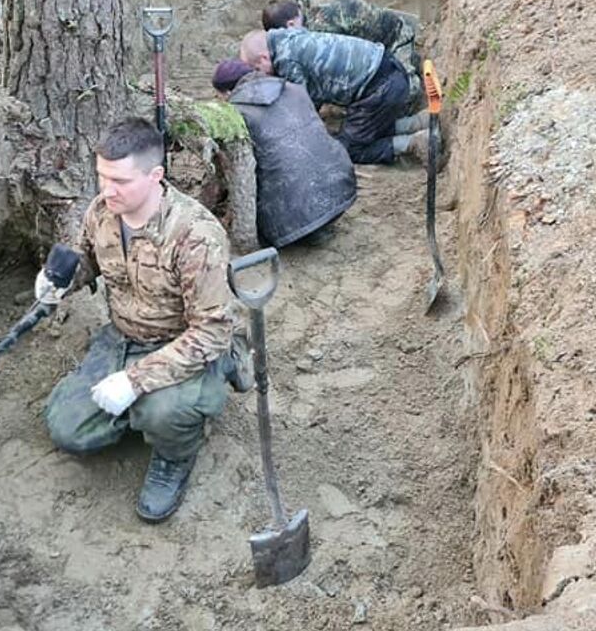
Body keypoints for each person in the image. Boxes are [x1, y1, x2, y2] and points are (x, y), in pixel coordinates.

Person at [38, 117, 239, 523]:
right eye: (101, 176)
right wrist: (58, 283)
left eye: (120, 181)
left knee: (163, 413)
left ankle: (173, 452)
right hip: (123, 337)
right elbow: (89, 262)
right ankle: (141, 412)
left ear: (155, 176)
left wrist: (134, 381)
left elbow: (213, 330)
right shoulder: (101, 212)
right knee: (67, 428)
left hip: (184, 345)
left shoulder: (195, 235)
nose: (107, 190)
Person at [212, 59, 356, 247]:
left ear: (228, 92)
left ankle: (306, 227)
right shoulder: (295, 89)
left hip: (289, 222)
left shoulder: (236, 113)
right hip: (341, 195)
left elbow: (238, 175)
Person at [239, 28, 428, 166]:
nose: (261, 75)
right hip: (388, 70)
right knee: (363, 129)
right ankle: (417, 123)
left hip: (380, 88)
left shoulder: (286, 60)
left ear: (264, 58)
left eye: (258, 69)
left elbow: (300, 107)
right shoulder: (288, 36)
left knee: (347, 149)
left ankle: (413, 143)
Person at [262, 0, 421, 105]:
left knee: (405, 95)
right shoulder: (299, 1)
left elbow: (320, 79)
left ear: (290, 25)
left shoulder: (320, 27)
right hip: (375, 43)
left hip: (396, 40)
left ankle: (412, 68)